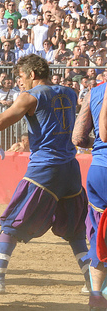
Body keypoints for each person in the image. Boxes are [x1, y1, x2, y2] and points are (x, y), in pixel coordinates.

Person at [0, 54, 90, 293]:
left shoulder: (30, 96)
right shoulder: (69, 92)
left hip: (44, 169)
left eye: (21, 77)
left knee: (12, 221)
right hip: (71, 168)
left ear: (32, 74)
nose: (19, 82)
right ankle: (90, 281)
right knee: (75, 229)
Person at [71, 80, 107, 309]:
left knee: (98, 232)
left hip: (98, 170)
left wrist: (100, 146)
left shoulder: (94, 91)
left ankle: (96, 295)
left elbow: (78, 138)